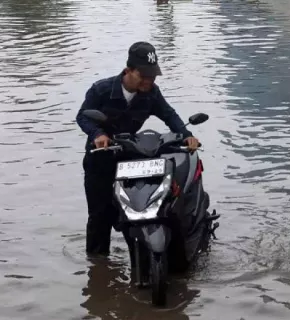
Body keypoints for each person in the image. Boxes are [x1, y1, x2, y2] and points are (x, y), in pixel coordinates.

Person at [75, 41, 200, 259]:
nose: (148, 81)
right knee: (99, 217)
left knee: (139, 210)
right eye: (143, 76)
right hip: (101, 161)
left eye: (152, 77)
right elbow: (83, 116)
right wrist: (97, 135)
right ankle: (98, 267)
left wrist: (187, 136)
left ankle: (144, 257)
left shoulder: (151, 93)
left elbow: (169, 115)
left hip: (130, 160)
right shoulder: (101, 90)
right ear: (128, 70)